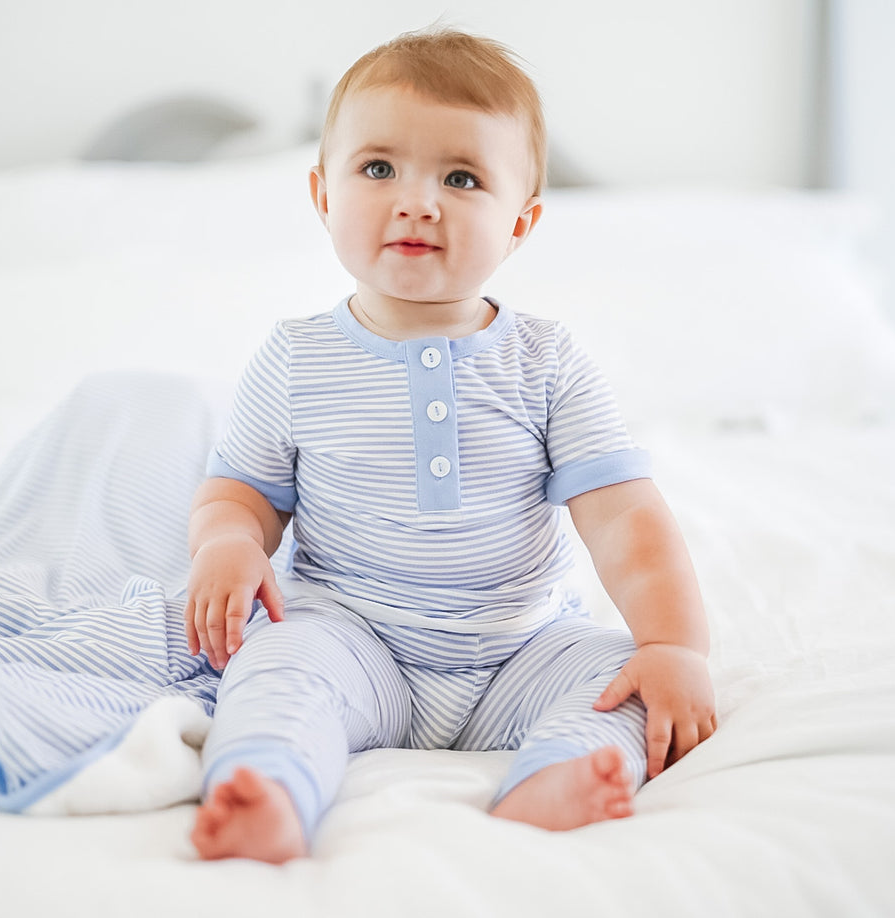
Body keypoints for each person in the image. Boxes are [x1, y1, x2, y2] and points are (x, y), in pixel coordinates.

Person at [184, 27, 717, 864]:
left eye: (462, 178)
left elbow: (625, 519)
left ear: (521, 223)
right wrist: (226, 544)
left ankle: (556, 776)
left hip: (522, 646)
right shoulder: (295, 358)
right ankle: (268, 788)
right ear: (323, 194)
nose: (417, 201)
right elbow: (241, 492)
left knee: (629, 684)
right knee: (274, 668)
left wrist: (673, 646)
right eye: (379, 168)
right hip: (353, 633)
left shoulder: (547, 361)